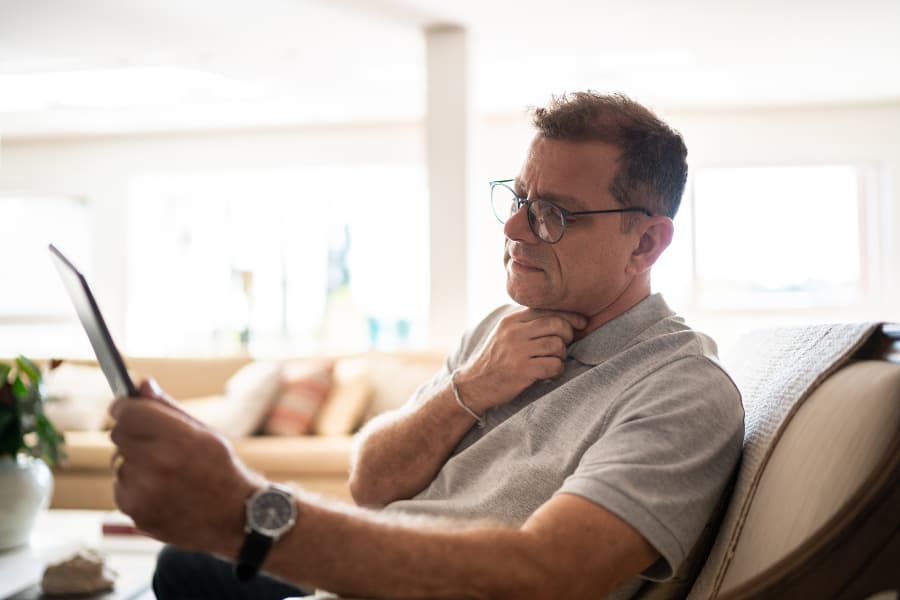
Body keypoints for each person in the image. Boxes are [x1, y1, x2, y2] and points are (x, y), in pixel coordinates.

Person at [111, 91, 744, 600]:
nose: (514, 227)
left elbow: (549, 575)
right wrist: (468, 389)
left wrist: (248, 513)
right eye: (520, 198)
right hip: (365, 571)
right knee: (181, 566)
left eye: (553, 213)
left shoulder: (681, 388)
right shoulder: (499, 328)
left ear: (645, 245)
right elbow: (370, 484)